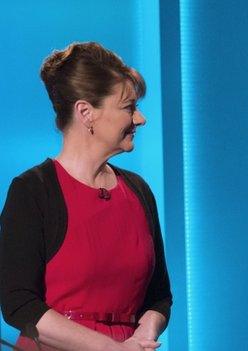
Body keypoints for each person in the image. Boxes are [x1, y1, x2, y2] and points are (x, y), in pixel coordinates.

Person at [0, 42, 171, 351]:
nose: (141, 119)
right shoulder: (33, 190)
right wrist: (110, 349)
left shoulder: (139, 191)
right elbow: (19, 303)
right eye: (129, 107)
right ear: (86, 112)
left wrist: (145, 333)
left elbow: (160, 295)